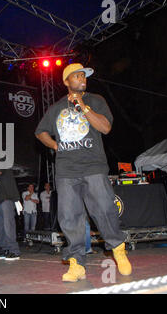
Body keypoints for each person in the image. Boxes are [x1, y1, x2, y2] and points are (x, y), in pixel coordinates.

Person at [35, 63, 132, 282]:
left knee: (105, 209)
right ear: (67, 81)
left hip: (93, 167)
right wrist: (55, 146)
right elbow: (40, 132)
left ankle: (118, 248)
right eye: (77, 76)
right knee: (70, 217)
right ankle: (76, 263)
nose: (82, 79)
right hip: (66, 171)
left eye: (84, 76)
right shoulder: (56, 108)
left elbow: (105, 128)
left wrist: (83, 105)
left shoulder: (96, 100)